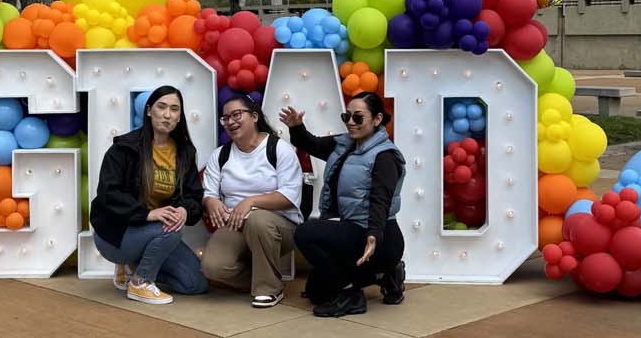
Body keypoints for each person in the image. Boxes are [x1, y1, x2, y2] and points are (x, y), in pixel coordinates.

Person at [279, 91, 406, 317]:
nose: (350, 122)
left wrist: (373, 234)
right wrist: (297, 127)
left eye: (358, 117)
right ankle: (384, 274)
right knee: (317, 293)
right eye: (346, 116)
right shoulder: (345, 144)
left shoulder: (385, 156)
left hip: (380, 238)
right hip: (354, 231)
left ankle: (352, 294)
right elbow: (311, 144)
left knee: (305, 233)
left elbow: (381, 200)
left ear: (377, 119)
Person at [89, 85, 208, 304]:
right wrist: (147, 214)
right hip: (117, 234)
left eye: (174, 109)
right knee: (171, 226)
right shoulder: (124, 148)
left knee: (195, 284)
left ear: (179, 116)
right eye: (161, 107)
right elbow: (108, 193)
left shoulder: (185, 151)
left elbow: (194, 195)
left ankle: (135, 267)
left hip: (155, 232)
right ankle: (140, 282)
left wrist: (184, 209)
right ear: (149, 111)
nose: (167, 114)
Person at [202, 93, 304, 308]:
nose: (230, 121)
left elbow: (289, 196)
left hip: (278, 227)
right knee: (213, 267)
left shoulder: (278, 149)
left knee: (257, 219)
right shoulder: (220, 155)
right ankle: (263, 277)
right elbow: (209, 193)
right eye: (225, 118)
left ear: (254, 116)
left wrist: (250, 202)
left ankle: (269, 289)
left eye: (236, 114)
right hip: (235, 224)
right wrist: (211, 202)